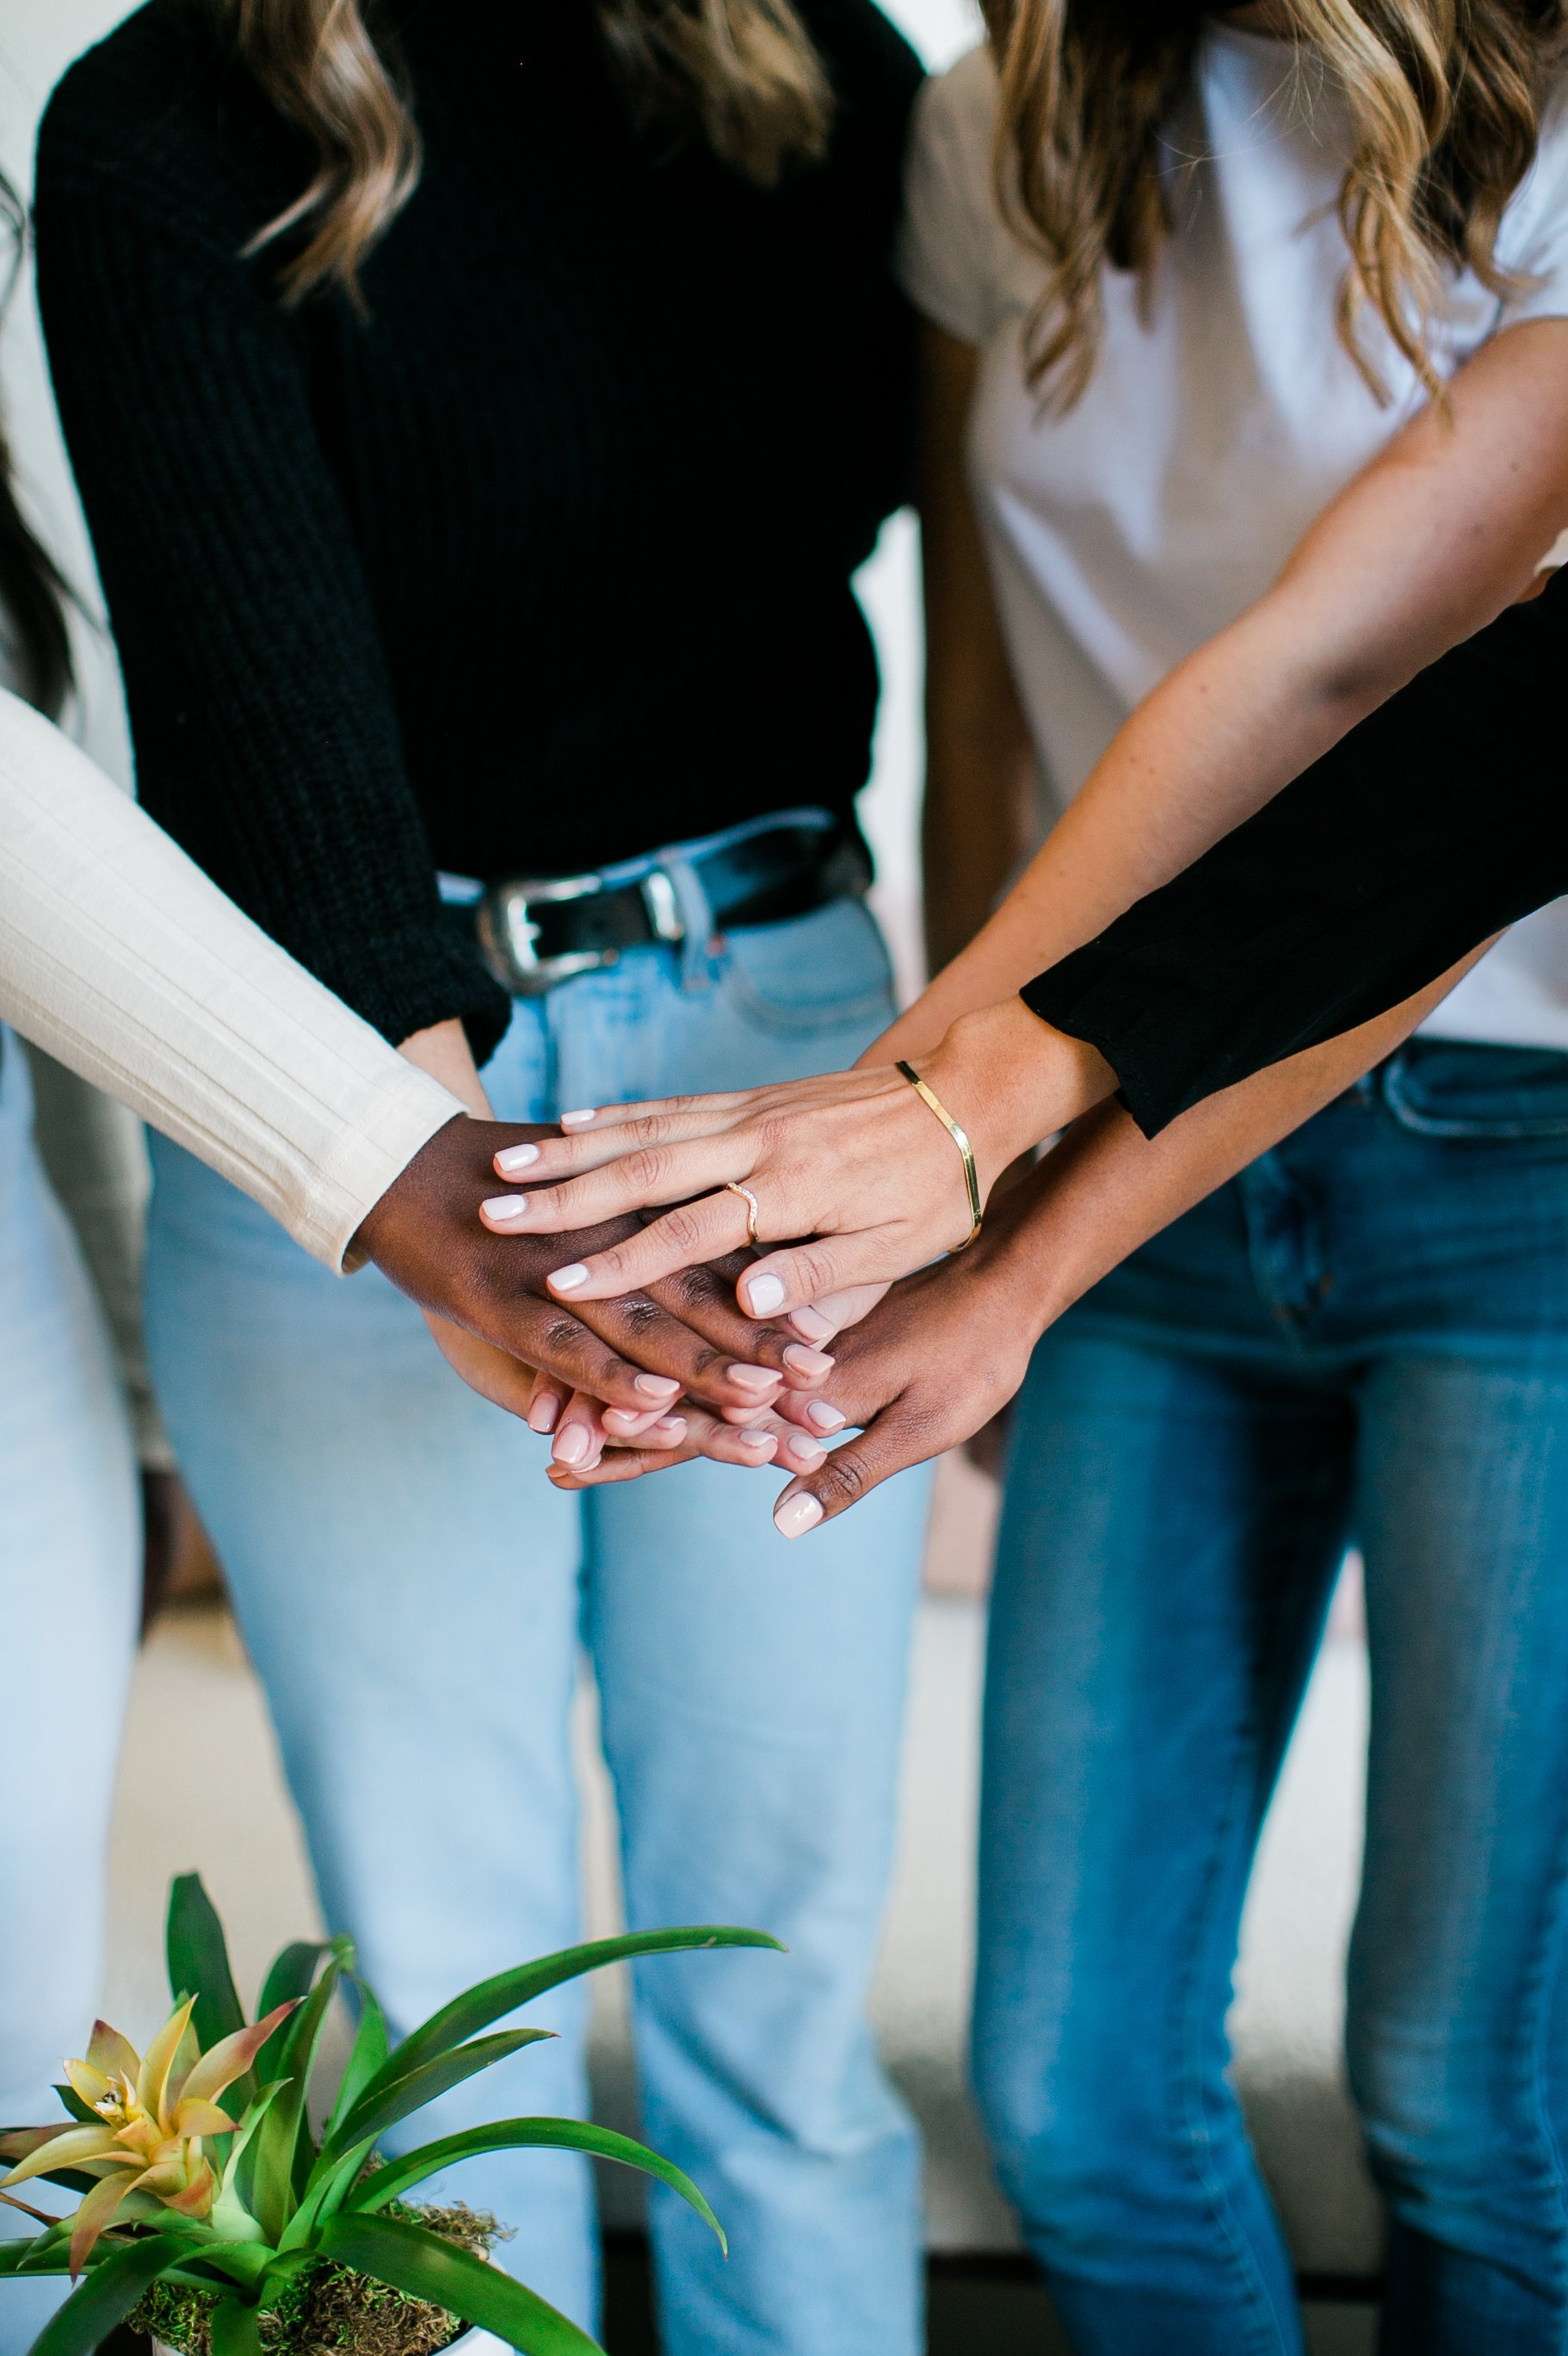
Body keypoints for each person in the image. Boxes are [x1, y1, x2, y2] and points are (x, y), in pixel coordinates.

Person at [485, 3, 1568, 2345]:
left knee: (1476, 2101)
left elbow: (1393, 748)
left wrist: (957, 1142)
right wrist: (878, 1196)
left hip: (1510, 1152)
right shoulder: (990, 134)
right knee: (1073, 2089)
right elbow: (988, 707)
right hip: (1107, 1141)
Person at [34, 3, 935, 2347]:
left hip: (781, 1042)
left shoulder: (822, 68)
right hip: (334, 1090)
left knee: (776, 1993)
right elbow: (256, 682)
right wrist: (469, 1209)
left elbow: (995, 515)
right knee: (459, 2019)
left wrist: (966, 1130)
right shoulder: (156, 125)